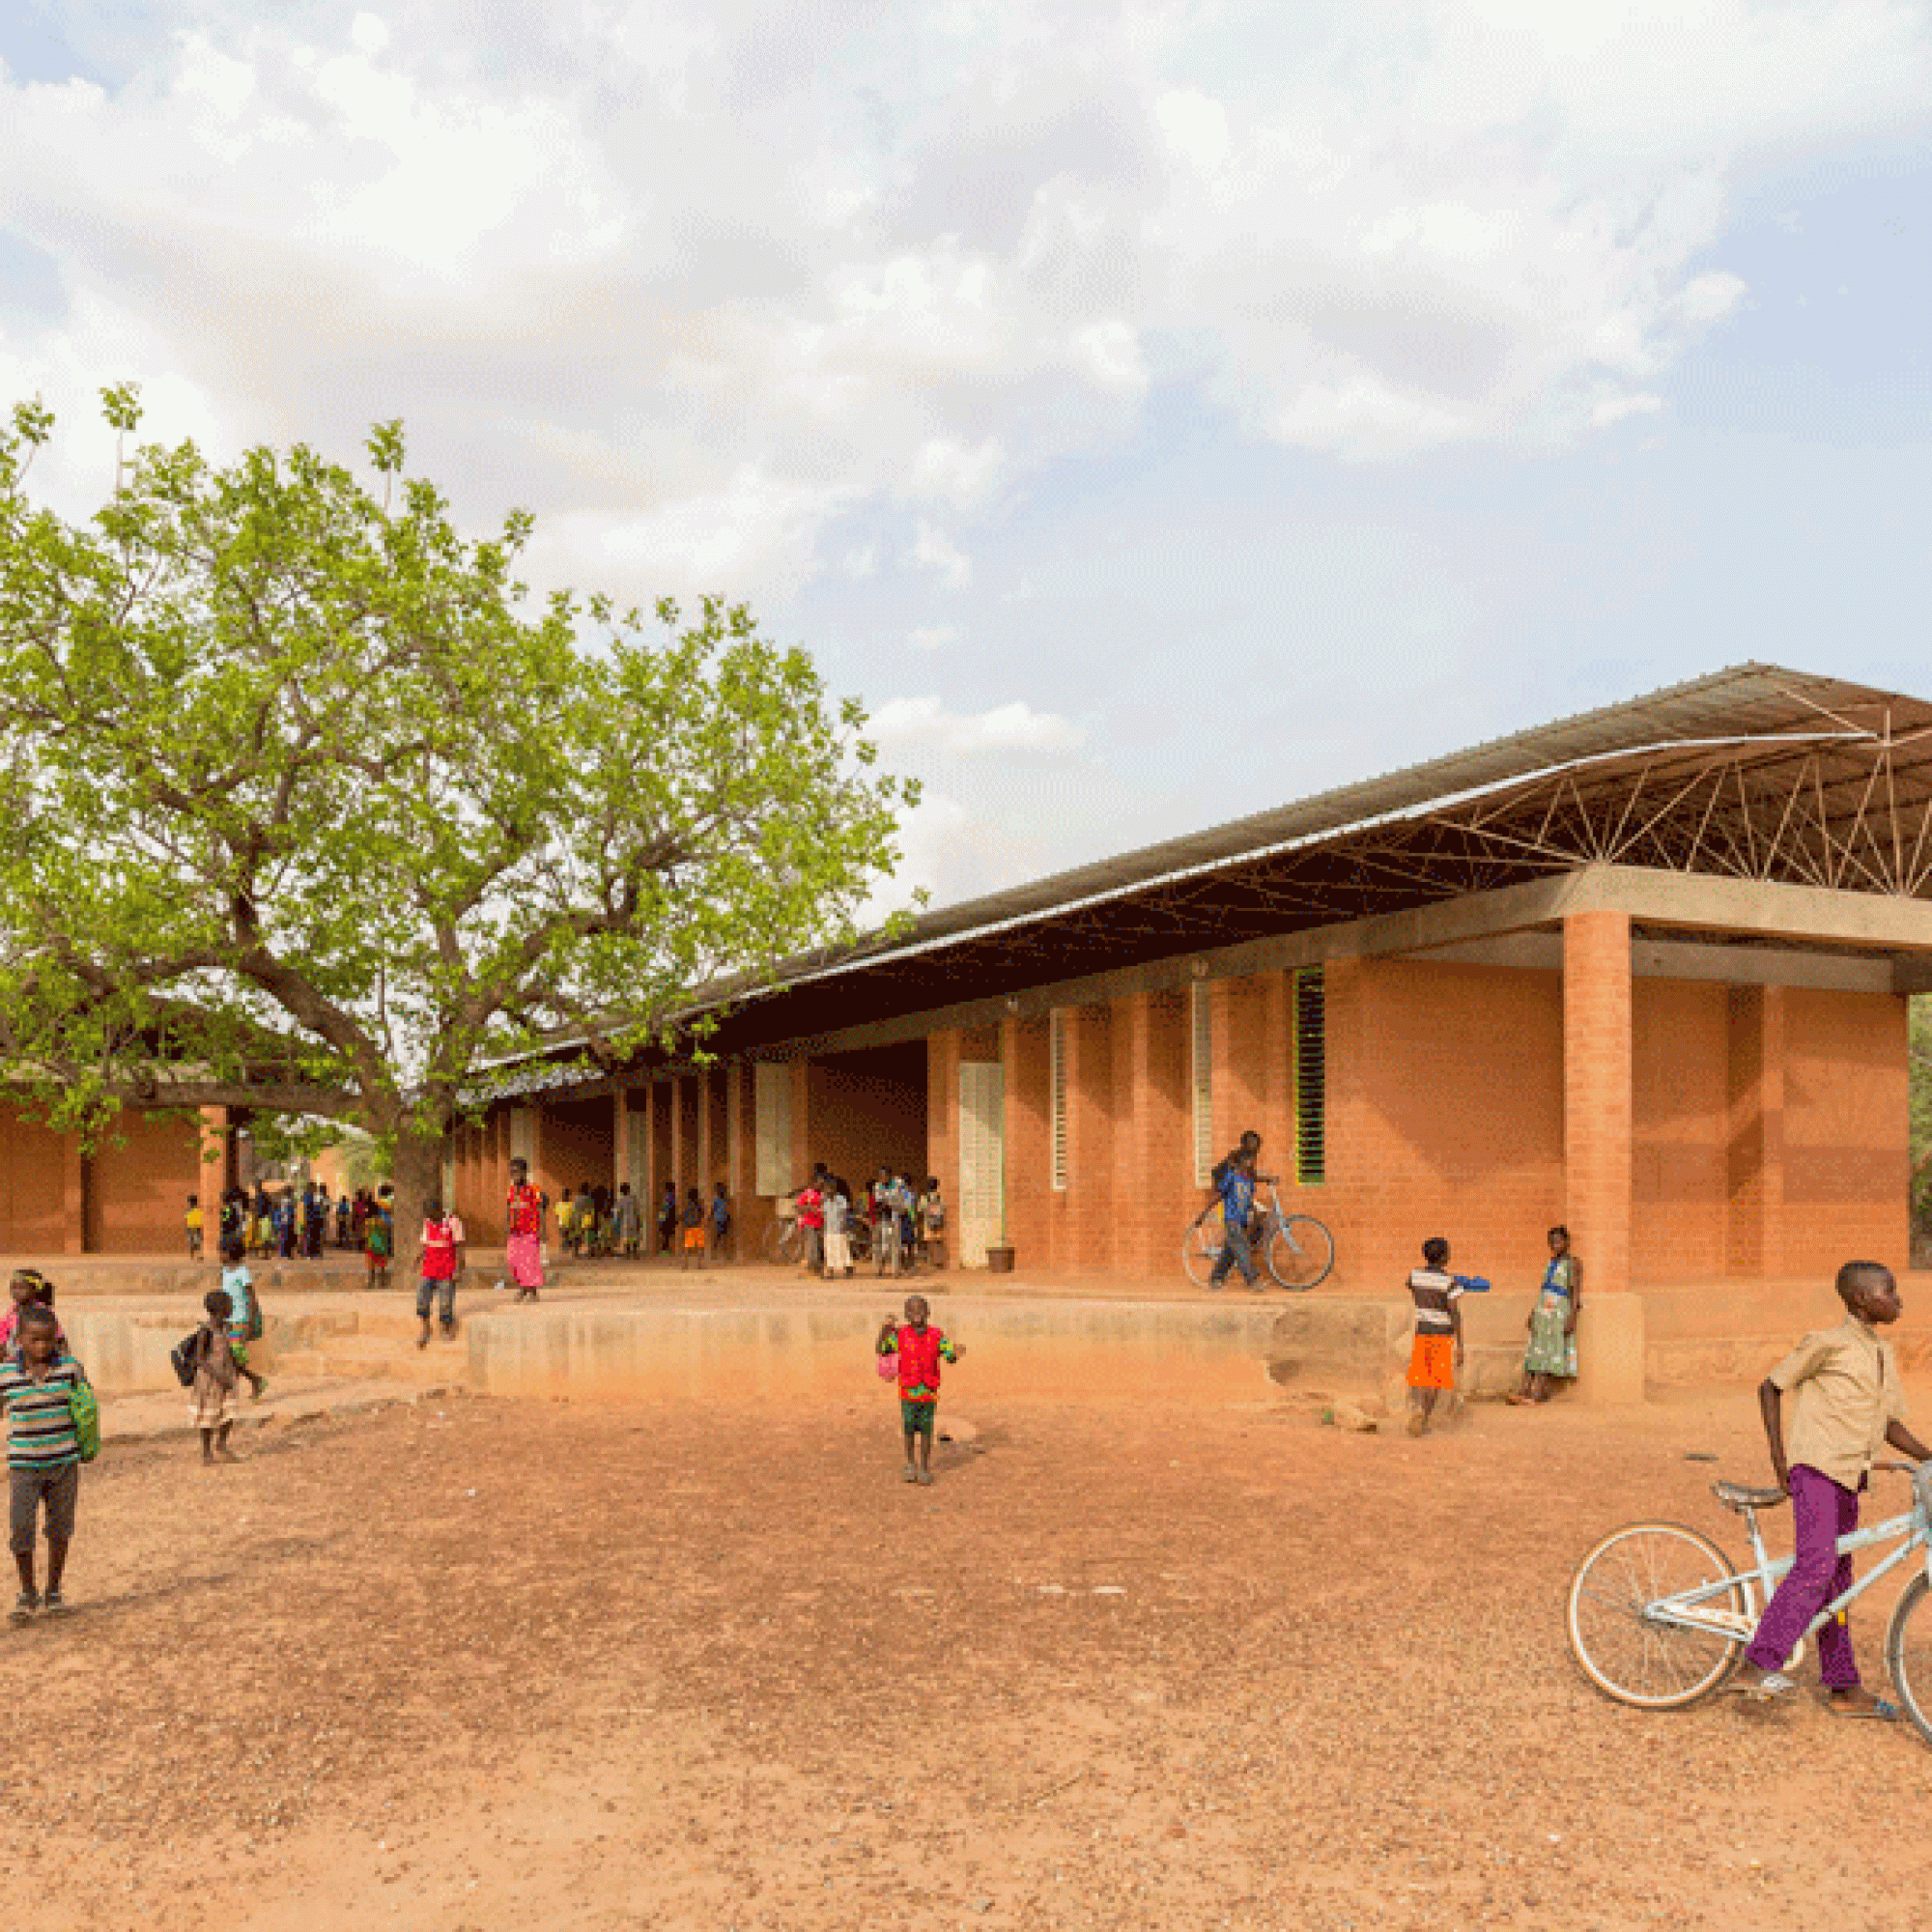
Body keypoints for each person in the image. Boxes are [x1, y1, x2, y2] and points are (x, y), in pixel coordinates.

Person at [1731, 1262, 1932, 1712]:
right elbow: (1771, 1386)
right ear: (1861, 1299)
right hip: (1816, 1470)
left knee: (1839, 1582)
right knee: (1816, 1566)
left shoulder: (1882, 1354)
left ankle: (1842, 1686)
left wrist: (1929, 1456)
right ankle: (1756, 1663)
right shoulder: (1828, 1344)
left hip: (1849, 1476)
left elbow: (1890, 1427)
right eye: (1890, 1291)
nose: (1898, 1299)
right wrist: (1780, 1461)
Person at [1, 1306, 89, 1620]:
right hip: (24, 1466)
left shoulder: (70, 1369)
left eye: (48, 1340)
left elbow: (86, 1409)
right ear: (20, 1339)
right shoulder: (6, 1374)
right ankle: (27, 1593)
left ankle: (53, 1591)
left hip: (64, 1463)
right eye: (34, 1340)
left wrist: (88, 1445)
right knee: (21, 1530)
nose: (42, 1347)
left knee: (59, 1530)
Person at [875, 1294, 963, 1487]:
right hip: (908, 1392)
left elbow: (950, 1357)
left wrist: (956, 1353)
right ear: (906, 1314)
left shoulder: (937, 1335)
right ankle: (909, 1464)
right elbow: (882, 1350)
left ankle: (924, 1467)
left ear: (928, 1312)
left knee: (925, 1431)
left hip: (928, 1393)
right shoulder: (899, 1335)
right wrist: (885, 1328)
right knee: (908, 1429)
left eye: (921, 1309)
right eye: (912, 1310)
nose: (917, 1313)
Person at [1508, 1226, 1581, 1405]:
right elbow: (1543, 1290)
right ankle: (1524, 1390)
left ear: (1567, 1242)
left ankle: (1538, 1392)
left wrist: (1572, 1317)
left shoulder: (1573, 1263)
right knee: (1534, 1349)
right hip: (1543, 1310)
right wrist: (1534, 1312)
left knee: (1548, 1351)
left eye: (1559, 1241)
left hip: (1558, 1311)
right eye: (1552, 1242)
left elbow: (1575, 1291)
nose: (1555, 1245)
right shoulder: (1550, 1263)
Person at [1406, 1236, 1465, 1436]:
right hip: (1442, 1334)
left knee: (1423, 1378)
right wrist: (1460, 1345)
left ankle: (1418, 1411)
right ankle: (1424, 1417)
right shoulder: (1450, 1282)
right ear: (1444, 1258)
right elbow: (1455, 1313)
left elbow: (1411, 1287)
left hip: (1423, 1332)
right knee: (1435, 1381)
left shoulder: (1415, 1276)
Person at [189, 1289, 244, 1464]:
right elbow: (199, 1359)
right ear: (220, 1309)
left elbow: (233, 1354)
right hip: (210, 1380)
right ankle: (206, 1452)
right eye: (229, 1304)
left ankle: (221, 1444)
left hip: (228, 1377)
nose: (232, 1307)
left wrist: (247, 1375)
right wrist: (218, 1377)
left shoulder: (228, 1328)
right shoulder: (205, 1331)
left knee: (229, 1412)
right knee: (208, 1416)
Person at [217, 1239, 268, 1401]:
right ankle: (255, 1380)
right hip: (228, 1319)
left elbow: (251, 1297)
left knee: (235, 1355)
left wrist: (251, 1320)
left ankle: (245, 1385)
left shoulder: (242, 1272)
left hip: (241, 1319)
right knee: (229, 1356)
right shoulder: (224, 1271)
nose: (219, 1255)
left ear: (229, 1253)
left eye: (221, 1251)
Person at [415, 1197, 468, 1347]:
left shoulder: (453, 1222)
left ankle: (445, 1327)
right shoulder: (428, 1222)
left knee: (446, 1298)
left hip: (447, 1267)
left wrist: (459, 1269)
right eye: (428, 1215)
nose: (429, 1217)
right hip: (429, 1266)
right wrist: (417, 1259)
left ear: (439, 1211)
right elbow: (425, 1244)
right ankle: (425, 1328)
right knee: (422, 1296)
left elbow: (459, 1247)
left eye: (431, 1214)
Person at [1208, 1150, 1262, 1290]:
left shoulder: (1249, 1180)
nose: (1251, 1163)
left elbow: (1249, 1200)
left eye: (1253, 1160)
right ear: (1240, 1162)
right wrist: (1204, 1212)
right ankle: (1252, 1279)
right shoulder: (1231, 1177)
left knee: (1230, 1251)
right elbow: (1219, 1195)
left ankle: (1216, 1278)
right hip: (1231, 1219)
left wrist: (1253, 1216)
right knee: (1242, 1248)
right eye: (1248, 1160)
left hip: (1243, 1220)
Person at [505, 1158, 547, 1301]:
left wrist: (543, 1229)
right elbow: (509, 1208)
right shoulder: (511, 1190)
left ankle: (525, 1290)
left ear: (524, 1172)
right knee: (513, 1261)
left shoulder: (534, 1189)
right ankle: (530, 1289)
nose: (515, 1175)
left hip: (531, 1230)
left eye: (517, 1172)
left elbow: (540, 1210)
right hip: (515, 1231)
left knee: (529, 1261)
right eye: (512, 1172)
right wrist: (507, 1225)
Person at [0, 1271, 65, 1360]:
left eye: (21, 1288)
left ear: (34, 1289)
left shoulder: (44, 1312)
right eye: (13, 1288)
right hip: (14, 1361)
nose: (16, 1292)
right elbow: (2, 1340)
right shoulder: (10, 1313)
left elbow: (59, 1340)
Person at [796, 1173, 826, 1275]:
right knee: (811, 1245)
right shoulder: (807, 1194)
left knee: (819, 1246)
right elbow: (800, 1208)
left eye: (822, 1184)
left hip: (821, 1223)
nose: (821, 1185)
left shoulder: (822, 1194)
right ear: (814, 1183)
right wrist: (809, 1208)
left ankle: (818, 1266)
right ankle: (811, 1267)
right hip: (810, 1223)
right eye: (819, 1183)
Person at [364, 1195, 394, 1292]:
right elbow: (389, 1231)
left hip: (371, 1245)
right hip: (382, 1245)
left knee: (371, 1265)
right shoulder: (383, 1222)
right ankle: (382, 1282)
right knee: (382, 1265)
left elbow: (365, 1234)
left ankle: (371, 1281)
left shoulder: (368, 1222)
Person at [823, 1181, 853, 1279]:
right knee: (830, 1250)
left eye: (830, 1189)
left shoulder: (841, 1200)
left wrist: (843, 1226)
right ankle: (830, 1271)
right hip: (829, 1229)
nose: (829, 1191)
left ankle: (848, 1267)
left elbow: (844, 1214)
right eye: (827, 1189)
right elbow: (825, 1216)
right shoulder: (826, 1202)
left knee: (842, 1249)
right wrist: (824, 1229)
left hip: (840, 1228)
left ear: (835, 1190)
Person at [918, 1178, 946, 1270]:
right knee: (938, 1242)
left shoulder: (924, 1198)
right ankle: (938, 1262)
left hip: (928, 1223)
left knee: (929, 1243)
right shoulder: (939, 1197)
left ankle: (931, 1262)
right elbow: (942, 1209)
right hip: (938, 1223)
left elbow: (920, 1210)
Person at [680, 1187, 707, 1270]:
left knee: (687, 1247)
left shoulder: (687, 1205)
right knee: (699, 1247)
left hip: (689, 1227)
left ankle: (685, 1265)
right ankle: (699, 1265)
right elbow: (702, 1215)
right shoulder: (698, 1205)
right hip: (698, 1227)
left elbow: (683, 1215)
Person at [613, 1182, 641, 1259]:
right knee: (634, 1237)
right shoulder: (634, 1198)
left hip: (626, 1221)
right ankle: (635, 1253)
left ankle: (628, 1253)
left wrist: (617, 1221)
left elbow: (618, 1212)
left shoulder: (621, 1200)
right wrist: (639, 1221)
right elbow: (637, 1211)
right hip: (634, 1220)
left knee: (627, 1237)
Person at [711, 1181, 732, 1262]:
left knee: (723, 1237)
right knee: (718, 1236)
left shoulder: (725, 1199)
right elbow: (713, 1209)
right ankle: (715, 1253)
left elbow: (727, 1209)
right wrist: (711, 1217)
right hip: (719, 1219)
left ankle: (723, 1254)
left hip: (724, 1219)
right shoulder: (717, 1199)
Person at [657, 1182, 678, 1257]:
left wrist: (661, 1220)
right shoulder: (674, 1196)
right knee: (669, 1234)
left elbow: (665, 1209)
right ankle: (669, 1249)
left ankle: (666, 1249)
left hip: (667, 1217)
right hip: (671, 1217)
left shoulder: (667, 1196)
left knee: (665, 1234)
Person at [185, 1193, 204, 1261]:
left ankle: (193, 1256)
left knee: (194, 1242)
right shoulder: (196, 1211)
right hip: (195, 1227)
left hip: (193, 1228)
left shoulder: (190, 1211)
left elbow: (187, 1219)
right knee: (196, 1242)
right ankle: (195, 1255)